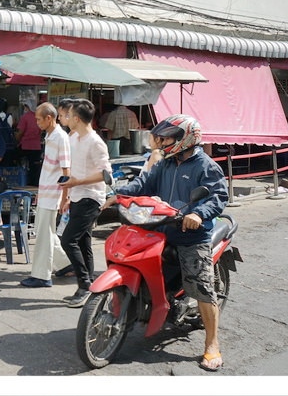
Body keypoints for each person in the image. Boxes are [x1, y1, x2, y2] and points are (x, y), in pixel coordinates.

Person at [103, 114, 228, 372]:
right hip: (160, 229)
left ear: (185, 139)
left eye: (167, 137)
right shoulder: (166, 163)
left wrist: (198, 213)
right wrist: (119, 195)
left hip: (191, 236)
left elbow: (218, 196)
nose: (161, 141)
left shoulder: (205, 165)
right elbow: (143, 184)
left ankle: (212, 343)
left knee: (201, 286)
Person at [57, 98, 112, 307]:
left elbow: (106, 174)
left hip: (91, 197)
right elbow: (73, 170)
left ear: (77, 119)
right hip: (78, 195)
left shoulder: (95, 141)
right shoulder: (75, 138)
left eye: (69, 116)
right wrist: (69, 195)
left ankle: (84, 284)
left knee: (68, 240)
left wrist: (77, 182)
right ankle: (89, 287)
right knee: (82, 242)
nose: (67, 119)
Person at [20, 103, 72, 288]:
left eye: (39, 119)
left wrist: (65, 197)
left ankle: (42, 275)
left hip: (53, 194)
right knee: (46, 233)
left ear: (49, 118)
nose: (37, 123)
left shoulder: (60, 137)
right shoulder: (50, 136)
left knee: (43, 236)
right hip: (46, 193)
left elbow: (66, 170)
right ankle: (66, 264)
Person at [15, 99, 42, 186]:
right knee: (34, 168)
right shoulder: (39, 117)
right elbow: (41, 131)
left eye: (25, 107)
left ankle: (23, 183)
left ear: (28, 107)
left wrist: (17, 140)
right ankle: (34, 185)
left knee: (20, 164)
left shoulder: (25, 117)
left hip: (25, 146)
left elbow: (20, 132)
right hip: (37, 147)